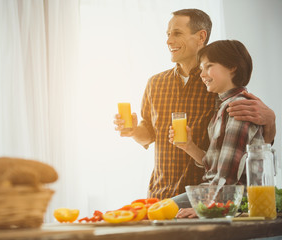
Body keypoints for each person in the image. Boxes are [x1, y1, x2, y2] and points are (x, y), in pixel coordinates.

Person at [113, 9, 276, 204]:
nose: (169, 41)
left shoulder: (217, 85)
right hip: (160, 193)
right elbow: (148, 133)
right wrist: (132, 131)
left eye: (177, 33)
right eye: (168, 34)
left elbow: (247, 144)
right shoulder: (155, 83)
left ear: (201, 36)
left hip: (205, 197)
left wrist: (271, 121)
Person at [168, 40, 264, 217]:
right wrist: (188, 146)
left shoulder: (238, 108)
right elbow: (216, 166)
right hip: (216, 191)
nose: (201, 74)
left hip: (232, 197)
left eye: (208, 66)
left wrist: (207, 208)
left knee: (163, 214)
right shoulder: (224, 106)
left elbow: (228, 174)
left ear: (232, 67)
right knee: (159, 211)